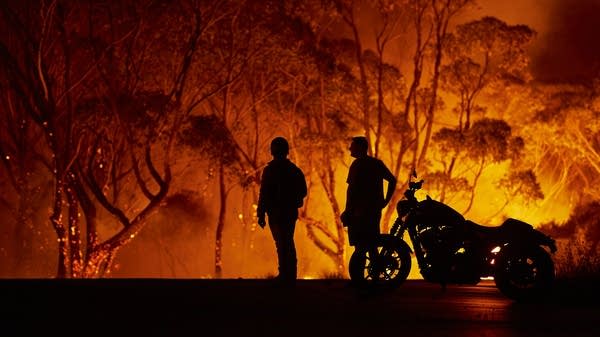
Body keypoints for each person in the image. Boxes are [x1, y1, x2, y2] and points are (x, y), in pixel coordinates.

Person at [257, 137, 307, 285]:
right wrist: (292, 200)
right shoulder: (294, 170)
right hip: (289, 212)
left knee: (282, 243)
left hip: (276, 213)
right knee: (287, 242)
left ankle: (286, 274)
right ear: (286, 151)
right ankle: (289, 274)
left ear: (273, 151)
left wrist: (261, 213)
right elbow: (303, 191)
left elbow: (264, 193)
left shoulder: (270, 170)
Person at [341, 136, 396, 258]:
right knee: (372, 243)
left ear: (360, 148)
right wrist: (385, 201)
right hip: (374, 211)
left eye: (353, 146)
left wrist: (348, 210)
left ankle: (360, 275)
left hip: (359, 213)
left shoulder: (357, 165)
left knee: (360, 246)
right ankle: (376, 272)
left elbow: (351, 190)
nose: (350, 148)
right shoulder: (376, 163)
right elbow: (392, 180)